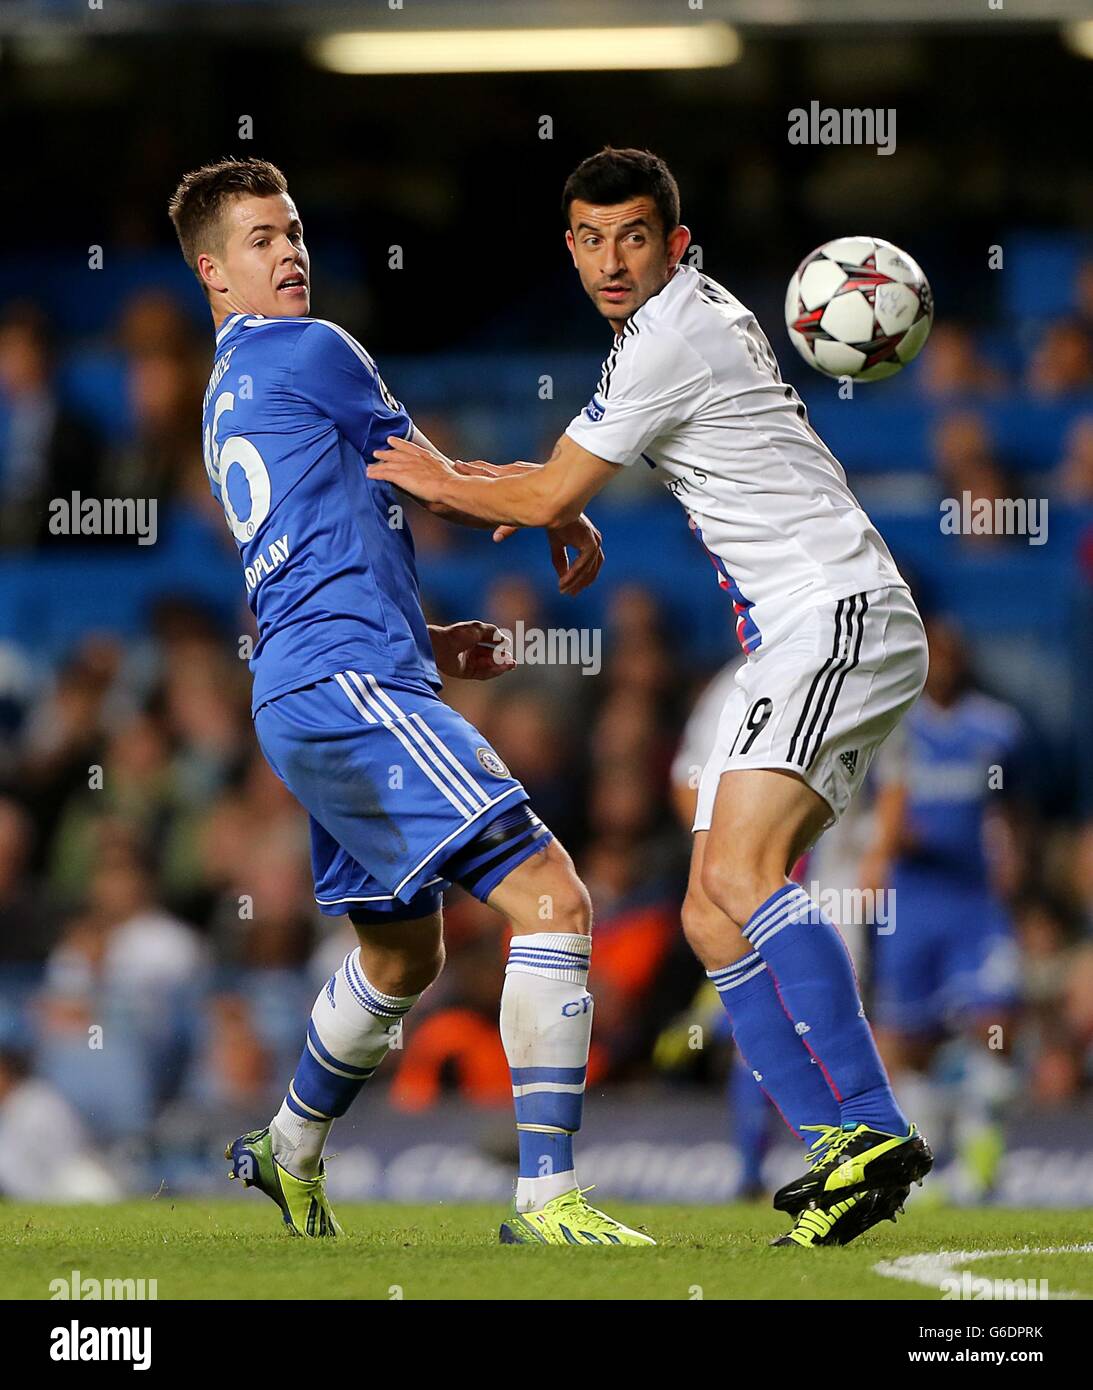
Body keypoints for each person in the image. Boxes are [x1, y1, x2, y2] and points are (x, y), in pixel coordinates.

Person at [370, 146, 933, 1247]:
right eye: (589, 238)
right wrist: (549, 501)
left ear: (674, 246)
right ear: (570, 246)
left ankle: (871, 1124)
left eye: (634, 235)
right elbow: (556, 482)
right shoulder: (669, 329)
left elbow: (542, 485)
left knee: (739, 870)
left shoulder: (671, 329)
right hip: (797, 635)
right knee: (705, 908)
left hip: (836, 611)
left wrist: (414, 469)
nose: (610, 258)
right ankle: (838, 1149)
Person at [167, 156, 652, 1246]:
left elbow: (310, 553)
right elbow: (423, 474)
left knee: (402, 955)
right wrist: (553, 505)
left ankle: (287, 1148)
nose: (289, 251)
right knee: (554, 898)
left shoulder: (224, 394)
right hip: (347, 682)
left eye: (293, 230)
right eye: (259, 239)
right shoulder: (315, 348)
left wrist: (423, 636)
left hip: (301, 688)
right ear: (213, 271)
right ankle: (545, 1198)